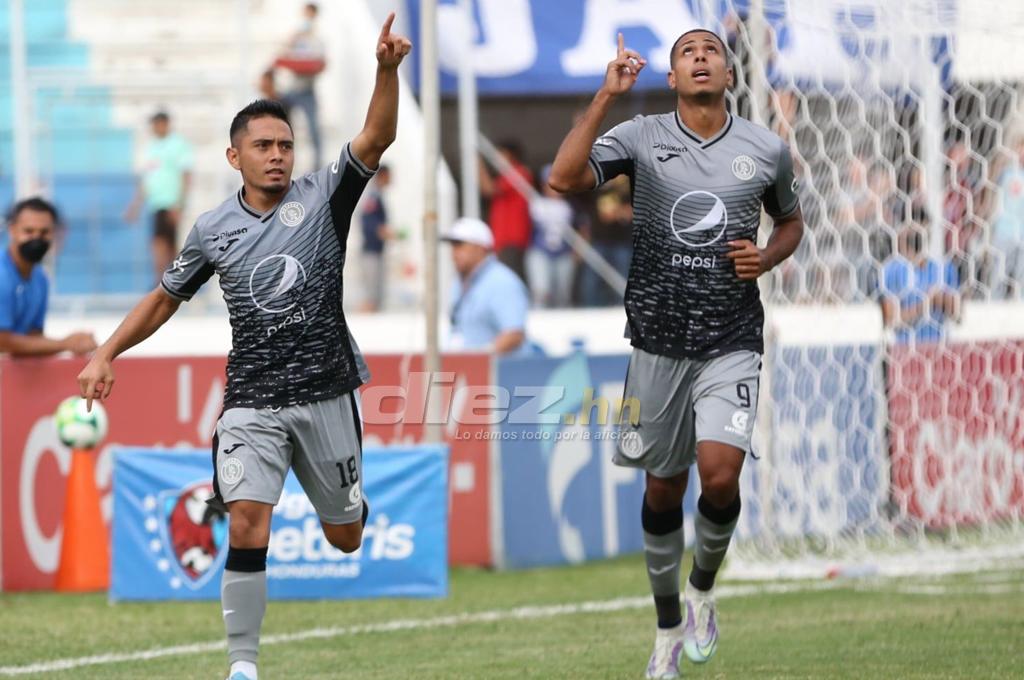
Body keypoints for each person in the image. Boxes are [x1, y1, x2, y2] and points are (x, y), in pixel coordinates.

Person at [77, 14, 411, 680]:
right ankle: (242, 665)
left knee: (344, 538)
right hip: (252, 400)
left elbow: (376, 138)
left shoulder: (323, 199)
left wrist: (386, 70)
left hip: (326, 393)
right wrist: (107, 350)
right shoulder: (212, 229)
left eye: (285, 144)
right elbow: (165, 296)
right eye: (263, 145)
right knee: (249, 522)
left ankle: (348, 504)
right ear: (235, 156)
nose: (279, 155)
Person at [549, 29, 804, 679]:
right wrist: (606, 95)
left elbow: (791, 222)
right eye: (687, 51)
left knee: (720, 473)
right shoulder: (641, 136)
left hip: (731, 339)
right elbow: (562, 178)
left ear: (727, 72)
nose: (698, 57)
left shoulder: (764, 149)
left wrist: (767, 255)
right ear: (671, 72)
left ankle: (704, 592)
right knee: (664, 489)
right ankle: (667, 629)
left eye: (709, 51)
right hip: (656, 344)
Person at [0, 197, 96, 357]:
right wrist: (65, 343)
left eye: (44, 232)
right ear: (12, 230)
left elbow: (33, 338)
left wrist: (77, 345)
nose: (37, 238)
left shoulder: (40, 279)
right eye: (29, 231)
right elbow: (2, 341)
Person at [125, 111, 194, 284]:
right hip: (156, 204)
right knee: (160, 243)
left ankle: (172, 281)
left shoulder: (178, 144)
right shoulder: (152, 147)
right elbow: (148, 179)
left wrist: (180, 203)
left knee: (167, 244)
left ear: (165, 123)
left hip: (170, 203)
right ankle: (166, 280)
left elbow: (186, 174)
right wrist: (136, 205)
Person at [444, 217, 529, 355]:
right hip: (466, 369)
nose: (454, 253)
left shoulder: (503, 282)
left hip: (501, 372)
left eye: (460, 245)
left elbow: (514, 335)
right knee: (418, 375)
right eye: (453, 246)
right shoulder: (458, 282)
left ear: (480, 248)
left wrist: (479, 359)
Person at [879, 223, 960, 344]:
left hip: (939, 347)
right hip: (905, 350)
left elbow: (958, 316)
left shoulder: (945, 268)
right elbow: (891, 320)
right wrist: (926, 304)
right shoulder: (890, 270)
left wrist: (943, 300)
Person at [275, 2, 326, 170]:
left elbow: (319, 64)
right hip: (293, 90)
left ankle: (317, 166)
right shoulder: (296, 38)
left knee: (314, 130)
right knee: (282, 125)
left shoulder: (317, 40)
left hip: (307, 90)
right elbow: (283, 55)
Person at [479, 140, 532, 282]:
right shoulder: (507, 176)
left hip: (511, 240)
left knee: (508, 278)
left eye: (501, 154)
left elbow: (488, 189)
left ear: (511, 156)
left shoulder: (519, 173)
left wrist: (477, 161)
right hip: (503, 241)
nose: (497, 158)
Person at [527, 165, 576, 308]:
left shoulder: (571, 206)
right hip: (540, 251)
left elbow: (582, 228)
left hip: (563, 253)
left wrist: (577, 251)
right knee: (541, 291)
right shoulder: (535, 203)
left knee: (562, 293)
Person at [359, 165, 393, 312]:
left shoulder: (377, 195)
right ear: (382, 176)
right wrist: (384, 232)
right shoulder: (373, 196)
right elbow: (368, 222)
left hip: (375, 250)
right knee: (371, 296)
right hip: (370, 251)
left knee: (376, 295)